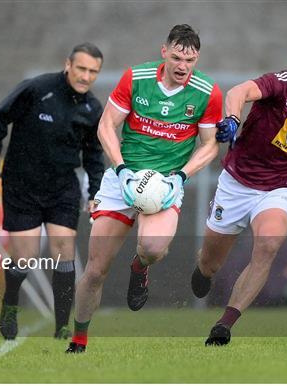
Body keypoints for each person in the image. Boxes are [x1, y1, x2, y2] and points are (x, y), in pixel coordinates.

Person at [66, 24, 222, 353]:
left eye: (190, 60)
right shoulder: (136, 78)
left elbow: (209, 146)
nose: (183, 66)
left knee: (152, 248)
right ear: (164, 52)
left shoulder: (207, 92)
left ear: (197, 60)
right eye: (177, 57)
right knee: (96, 270)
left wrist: (179, 177)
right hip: (124, 180)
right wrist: (121, 170)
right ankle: (79, 339)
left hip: (165, 185)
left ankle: (139, 268)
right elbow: (107, 125)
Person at [191, 35, 287, 345]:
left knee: (269, 245)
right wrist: (233, 119)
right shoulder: (278, 83)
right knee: (210, 263)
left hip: (278, 188)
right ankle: (203, 271)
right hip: (235, 183)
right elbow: (239, 91)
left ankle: (225, 324)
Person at [0, 43, 105, 340]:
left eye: (93, 72)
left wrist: (96, 191)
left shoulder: (92, 109)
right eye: (82, 68)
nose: (86, 76)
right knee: (26, 256)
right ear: (68, 65)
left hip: (62, 187)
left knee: (64, 251)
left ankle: (62, 326)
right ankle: (10, 305)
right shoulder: (37, 89)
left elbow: (94, 155)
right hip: (22, 184)